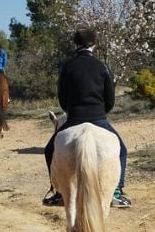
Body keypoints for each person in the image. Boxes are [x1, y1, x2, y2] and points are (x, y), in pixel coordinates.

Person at [42, 25, 131, 208]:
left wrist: (71, 110)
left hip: (74, 118)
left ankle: (58, 191)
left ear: (76, 44)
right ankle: (116, 191)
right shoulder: (102, 67)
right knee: (122, 150)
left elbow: (62, 97)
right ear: (93, 44)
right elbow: (110, 99)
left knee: (49, 150)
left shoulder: (66, 67)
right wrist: (101, 112)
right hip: (99, 118)